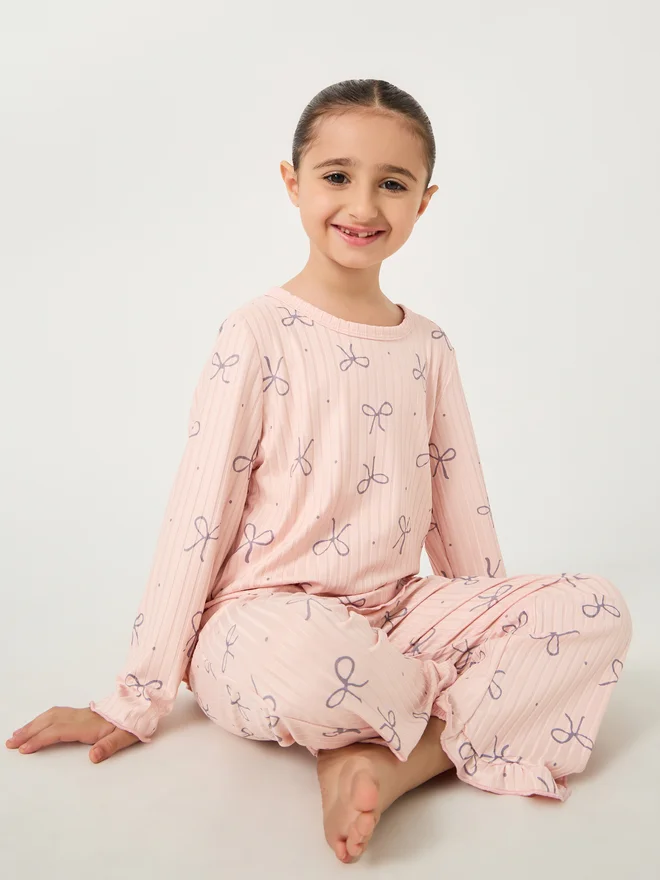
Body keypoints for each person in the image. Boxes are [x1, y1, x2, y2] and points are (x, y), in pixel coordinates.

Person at [6, 78, 632, 865]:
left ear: (425, 202)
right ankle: (431, 723)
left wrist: (490, 621)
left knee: (596, 609)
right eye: (337, 176)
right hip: (264, 620)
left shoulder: (428, 346)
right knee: (310, 666)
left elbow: (459, 504)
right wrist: (136, 696)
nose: (363, 205)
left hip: (395, 610)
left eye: (392, 184)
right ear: (292, 182)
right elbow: (199, 514)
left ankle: (382, 762)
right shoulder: (257, 332)